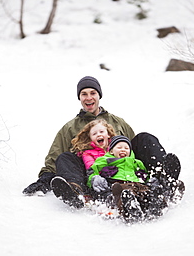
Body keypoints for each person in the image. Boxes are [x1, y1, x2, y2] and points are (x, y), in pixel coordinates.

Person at [23, 75, 182, 209]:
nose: (89, 97)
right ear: (79, 98)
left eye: (93, 93)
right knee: (65, 157)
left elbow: (132, 148)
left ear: (99, 95)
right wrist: (45, 179)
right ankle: (75, 191)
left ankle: (163, 178)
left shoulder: (117, 122)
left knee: (145, 138)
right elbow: (55, 156)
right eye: (84, 94)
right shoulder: (69, 128)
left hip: (122, 168)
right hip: (93, 176)